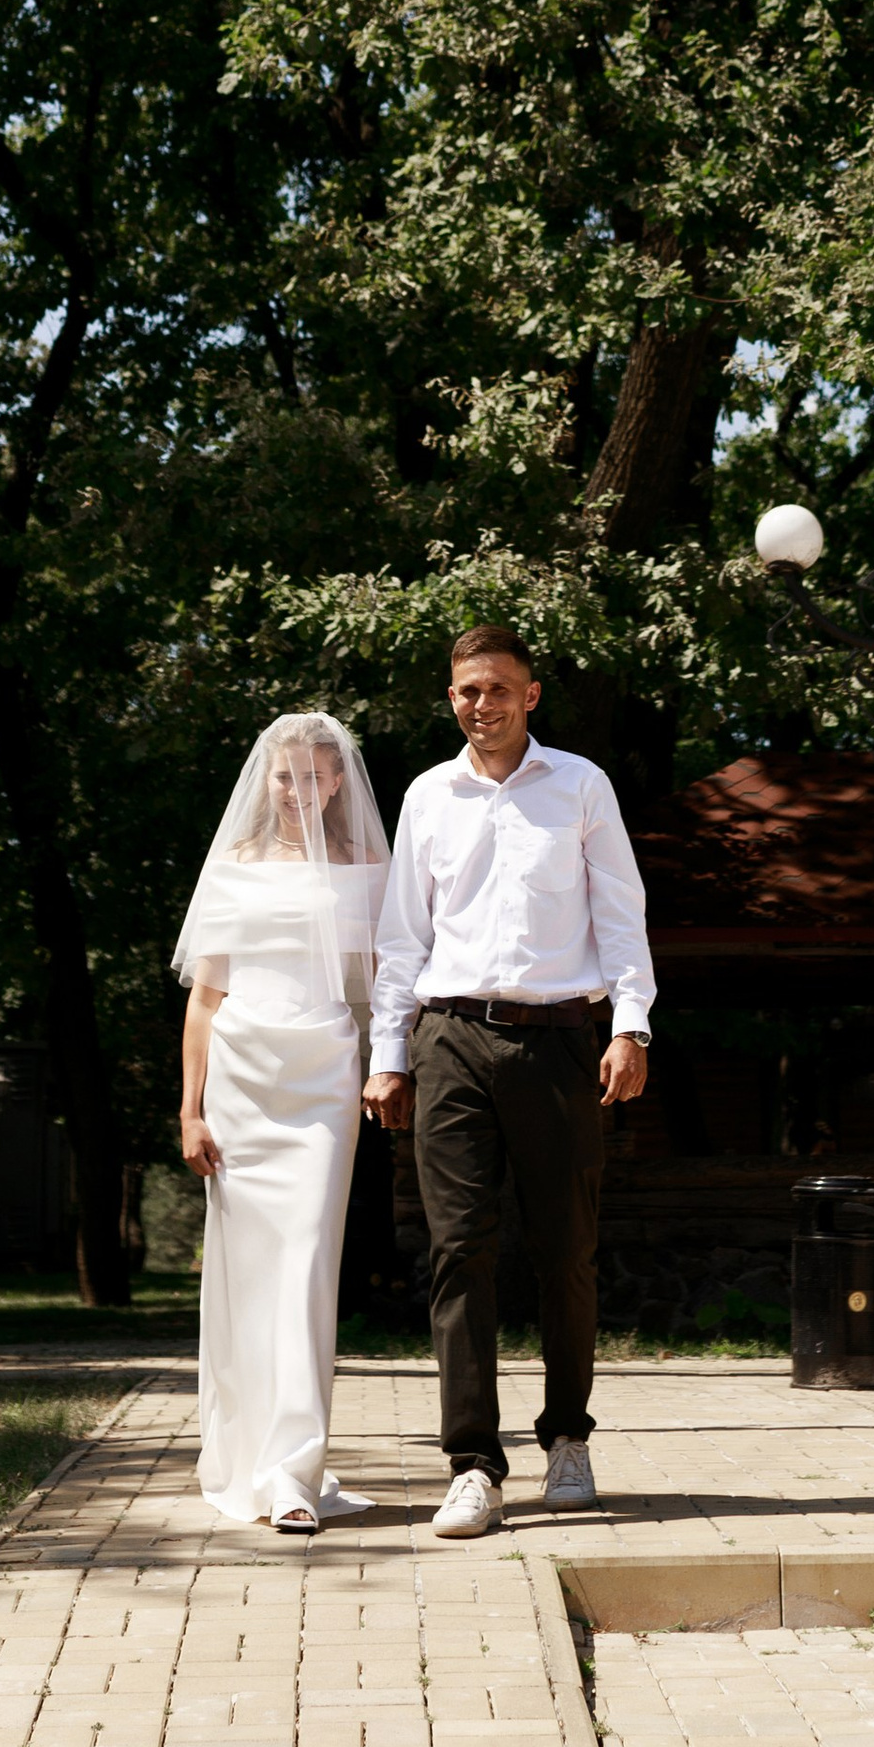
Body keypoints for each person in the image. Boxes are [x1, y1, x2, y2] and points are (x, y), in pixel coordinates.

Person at [364, 625, 655, 1540]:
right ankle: (473, 1467)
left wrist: (631, 1024)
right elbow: (403, 936)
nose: (479, 704)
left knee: (565, 1250)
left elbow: (620, 911)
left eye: (497, 689)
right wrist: (388, 1053)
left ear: (530, 696)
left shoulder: (579, 785)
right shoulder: (427, 795)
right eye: (465, 692)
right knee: (459, 1252)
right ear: (450, 699)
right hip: (449, 1039)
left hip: (559, 1041)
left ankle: (568, 1439)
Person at [175, 710, 390, 1531]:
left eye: (314, 776)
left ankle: (295, 1473)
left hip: (323, 1081)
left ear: (337, 783)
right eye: (284, 777)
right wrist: (190, 1110)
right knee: (246, 1273)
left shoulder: (367, 870)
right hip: (240, 1079)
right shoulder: (233, 867)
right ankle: (244, 1456)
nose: (299, 791)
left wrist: (384, 1067)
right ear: (266, 781)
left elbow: (385, 991)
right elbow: (204, 999)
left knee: (306, 1265)